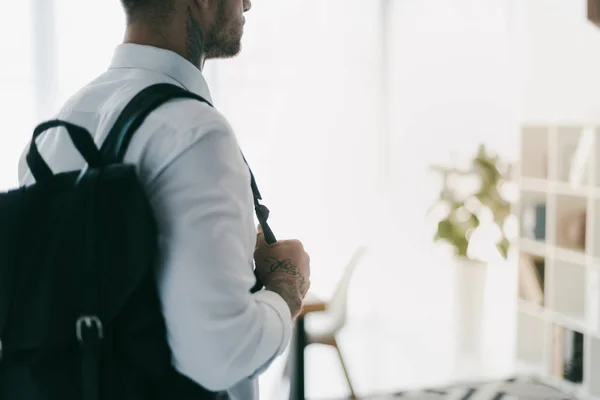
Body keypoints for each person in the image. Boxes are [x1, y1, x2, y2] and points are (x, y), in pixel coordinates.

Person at [17, 0, 311, 399]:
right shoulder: (195, 131)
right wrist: (285, 286)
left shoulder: (59, 128)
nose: (248, 3)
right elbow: (221, 354)